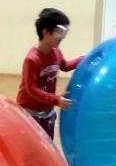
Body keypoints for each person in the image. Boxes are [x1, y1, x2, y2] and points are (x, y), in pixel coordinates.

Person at [16, 8, 83, 140]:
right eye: (59, 32)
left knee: (47, 144)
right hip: (30, 112)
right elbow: (31, 88)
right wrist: (55, 99)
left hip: (47, 110)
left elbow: (65, 66)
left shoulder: (56, 52)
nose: (63, 37)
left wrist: (84, 59)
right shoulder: (32, 59)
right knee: (33, 145)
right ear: (46, 32)